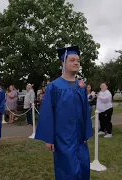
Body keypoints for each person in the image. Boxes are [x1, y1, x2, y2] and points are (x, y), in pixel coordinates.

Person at [35, 45, 93, 179]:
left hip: (80, 137)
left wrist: (86, 132)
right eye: (72, 60)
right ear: (63, 63)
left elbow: (86, 111)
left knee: (83, 166)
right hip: (63, 137)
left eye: (78, 60)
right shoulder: (54, 86)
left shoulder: (81, 86)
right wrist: (49, 139)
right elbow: (48, 113)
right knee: (67, 170)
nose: (76, 63)